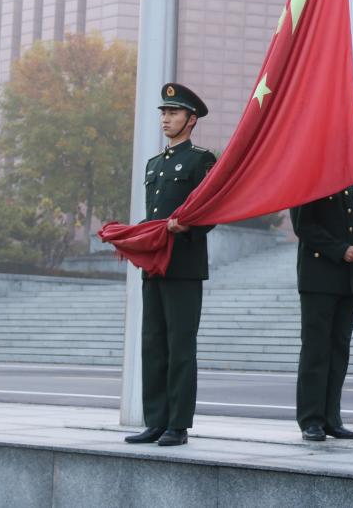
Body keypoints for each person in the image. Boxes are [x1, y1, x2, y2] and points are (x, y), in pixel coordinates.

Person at [125, 82, 217, 447]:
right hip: (155, 265)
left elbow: (212, 210)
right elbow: (153, 216)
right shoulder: (154, 163)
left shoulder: (201, 160)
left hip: (184, 266)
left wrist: (189, 226)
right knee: (153, 343)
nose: (166, 118)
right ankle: (156, 421)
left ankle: (177, 424)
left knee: (180, 345)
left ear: (191, 120)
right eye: (164, 112)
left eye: (173, 113)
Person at [290, 181, 353, 442]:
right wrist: (339, 250)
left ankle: (332, 419)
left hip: (348, 279)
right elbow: (303, 225)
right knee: (316, 350)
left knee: (339, 352)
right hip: (319, 277)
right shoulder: (311, 173)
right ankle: (311, 419)